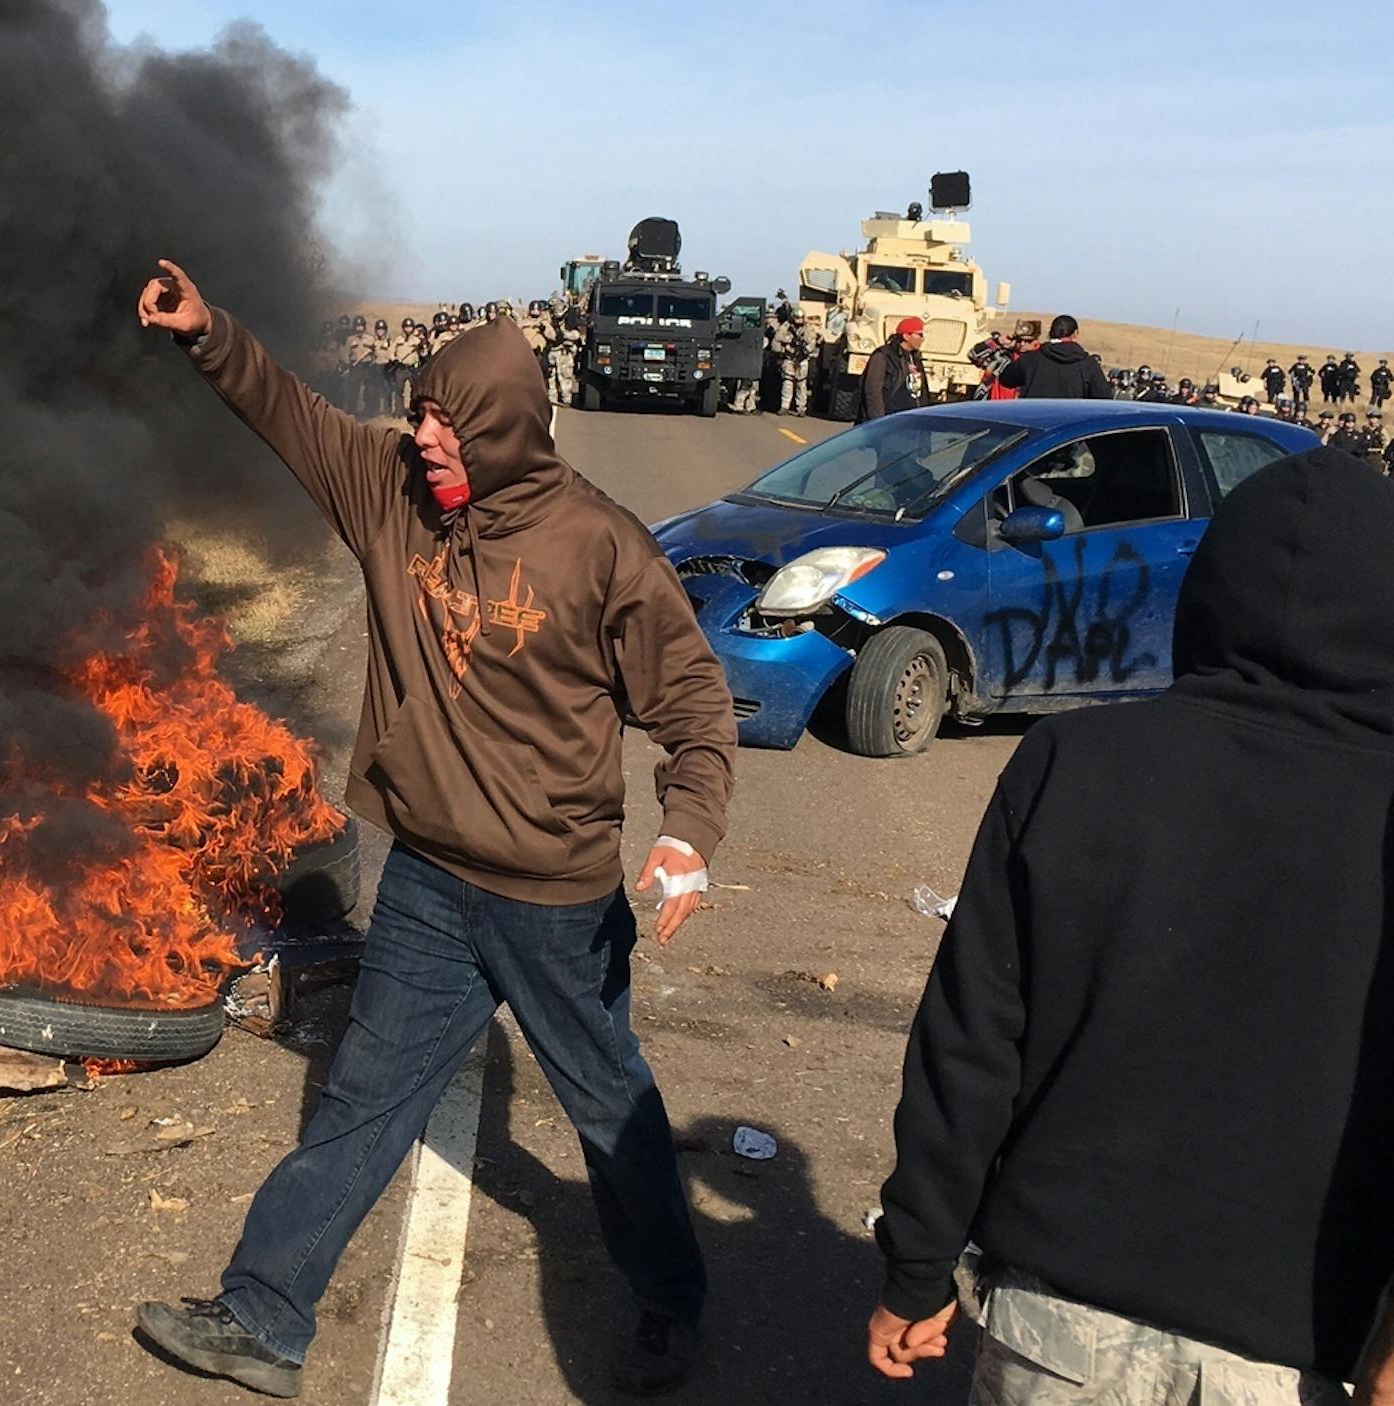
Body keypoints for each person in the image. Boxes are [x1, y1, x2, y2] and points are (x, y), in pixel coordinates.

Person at [134, 259, 735, 1400]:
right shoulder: (393, 489)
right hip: (427, 881)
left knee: (611, 1104)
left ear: (509, 428)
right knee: (364, 1095)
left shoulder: (602, 548)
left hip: (555, 899)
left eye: (451, 427)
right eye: (419, 419)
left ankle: (670, 1297)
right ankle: (265, 1314)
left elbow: (696, 707)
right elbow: (293, 414)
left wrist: (688, 830)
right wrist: (209, 331)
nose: (427, 444)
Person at [866, 447, 1394, 1406]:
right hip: (1297, 1354)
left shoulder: (1076, 761)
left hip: (1059, 1332)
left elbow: (970, 1043)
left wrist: (917, 1265)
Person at [859, 317, 928, 421]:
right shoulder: (883, 356)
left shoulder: (915, 357)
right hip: (889, 420)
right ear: (906, 336)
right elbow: (873, 392)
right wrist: (878, 422)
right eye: (920, 335)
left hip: (911, 422)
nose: (923, 339)